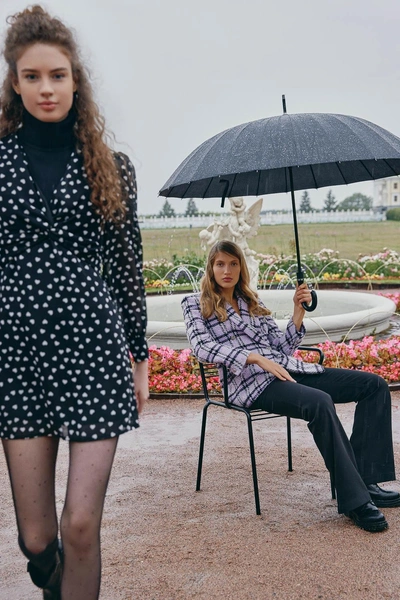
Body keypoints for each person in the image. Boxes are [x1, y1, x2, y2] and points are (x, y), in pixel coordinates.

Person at [0, 6, 148, 599]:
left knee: (81, 526)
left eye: (57, 75)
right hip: (18, 357)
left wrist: (139, 360)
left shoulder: (111, 167)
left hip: (93, 351)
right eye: (32, 76)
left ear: (75, 80)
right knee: (37, 539)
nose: (46, 88)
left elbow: (126, 270)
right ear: (15, 83)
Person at [182, 240, 400, 532]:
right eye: (220, 264)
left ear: (241, 268)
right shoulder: (195, 304)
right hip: (249, 384)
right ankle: (355, 500)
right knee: (319, 402)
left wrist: (298, 312)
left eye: (233, 264)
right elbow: (201, 347)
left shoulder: (251, 301)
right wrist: (253, 358)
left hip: (286, 370)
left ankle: (367, 481)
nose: (227, 270)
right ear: (211, 268)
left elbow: (281, 347)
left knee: (374, 385)